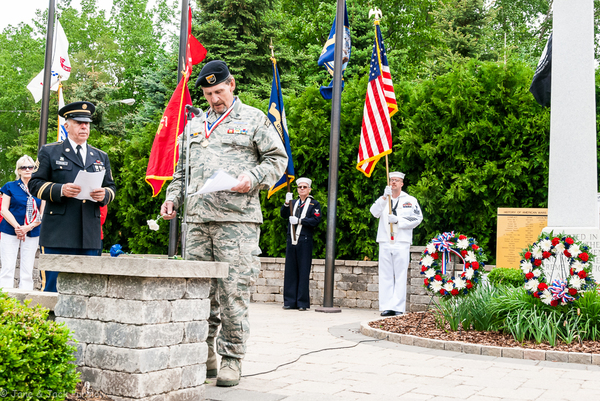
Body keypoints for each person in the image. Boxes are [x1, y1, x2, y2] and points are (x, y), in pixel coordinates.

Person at [160, 60, 287, 387]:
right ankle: (204, 354)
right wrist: (172, 197)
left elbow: (277, 159)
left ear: (231, 85)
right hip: (197, 222)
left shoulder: (254, 119)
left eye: (219, 91)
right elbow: (182, 171)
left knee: (233, 292)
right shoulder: (194, 125)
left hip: (237, 222)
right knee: (199, 293)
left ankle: (232, 358)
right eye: (207, 93)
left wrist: (253, 177)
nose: (214, 99)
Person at [29, 101, 116, 292]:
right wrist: (60, 189)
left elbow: (111, 188)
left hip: (89, 235)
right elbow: (34, 185)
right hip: (58, 234)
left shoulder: (100, 156)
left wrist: (104, 195)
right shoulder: (49, 151)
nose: (84, 126)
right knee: (52, 290)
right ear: (66, 125)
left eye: (87, 123)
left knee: (89, 291)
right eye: (78, 122)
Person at [370, 172, 423, 317]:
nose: (393, 182)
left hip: (401, 241)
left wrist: (399, 221)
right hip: (385, 240)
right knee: (386, 274)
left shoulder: (410, 200)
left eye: (396, 180)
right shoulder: (384, 199)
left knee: (400, 274)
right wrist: (382, 198)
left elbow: (418, 218)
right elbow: (373, 212)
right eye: (391, 180)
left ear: (402, 184)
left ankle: (398, 306)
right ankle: (387, 306)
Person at [0, 155, 44, 290]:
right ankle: (4, 300)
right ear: (18, 170)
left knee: (27, 268)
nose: (27, 169)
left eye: (30, 167)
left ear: (35, 169)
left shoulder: (40, 188)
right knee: (7, 267)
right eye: (23, 167)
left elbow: (43, 214)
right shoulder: (10, 186)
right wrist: (18, 227)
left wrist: (28, 227)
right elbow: (4, 210)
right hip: (10, 230)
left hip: (33, 231)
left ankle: (26, 300)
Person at [280, 177, 321, 311]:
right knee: (290, 271)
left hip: (304, 240)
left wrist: (299, 221)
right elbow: (283, 214)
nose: (302, 189)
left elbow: (315, 220)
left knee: (303, 271)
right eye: (300, 187)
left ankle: (302, 302)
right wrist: (286, 203)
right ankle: (289, 301)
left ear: (309, 189)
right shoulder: (293, 203)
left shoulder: (314, 204)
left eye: (304, 187)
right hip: (291, 240)